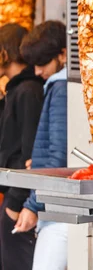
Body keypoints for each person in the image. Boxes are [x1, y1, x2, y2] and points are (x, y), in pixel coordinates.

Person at [14, 21, 68, 270]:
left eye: (42, 63)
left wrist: (32, 205)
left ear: (63, 55)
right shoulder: (60, 87)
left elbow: (57, 157)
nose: (36, 71)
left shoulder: (61, 89)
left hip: (57, 212)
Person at [0, 23, 44, 270]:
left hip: (19, 196)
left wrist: (16, 204)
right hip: (13, 192)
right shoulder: (17, 89)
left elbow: (30, 153)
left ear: (5, 53)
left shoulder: (28, 91)